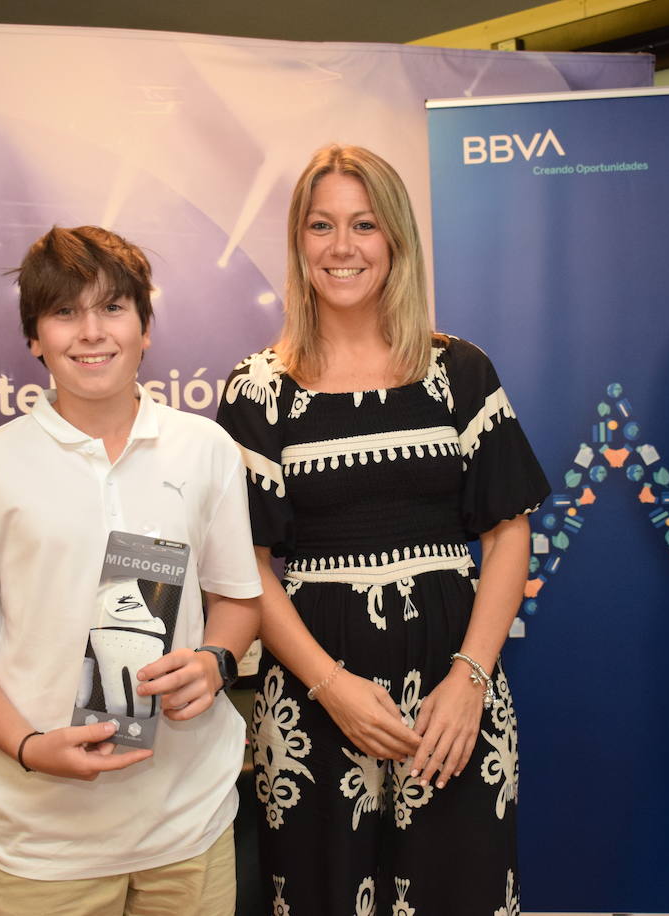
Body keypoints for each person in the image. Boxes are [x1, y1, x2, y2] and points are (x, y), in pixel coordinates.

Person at [216, 144, 550, 915]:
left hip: (453, 699)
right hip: (311, 704)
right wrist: (330, 687)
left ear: (395, 237)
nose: (342, 247)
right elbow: (247, 563)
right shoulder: (256, 390)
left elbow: (508, 533)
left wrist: (470, 681)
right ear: (298, 243)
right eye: (321, 225)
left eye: (364, 225)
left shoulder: (459, 371)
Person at [0, 225, 263, 915]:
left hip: (187, 827)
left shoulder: (206, 450)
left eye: (112, 308)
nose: (91, 332)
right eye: (65, 312)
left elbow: (239, 599)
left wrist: (217, 661)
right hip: (45, 844)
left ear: (145, 327)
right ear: (35, 338)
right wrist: (29, 746)